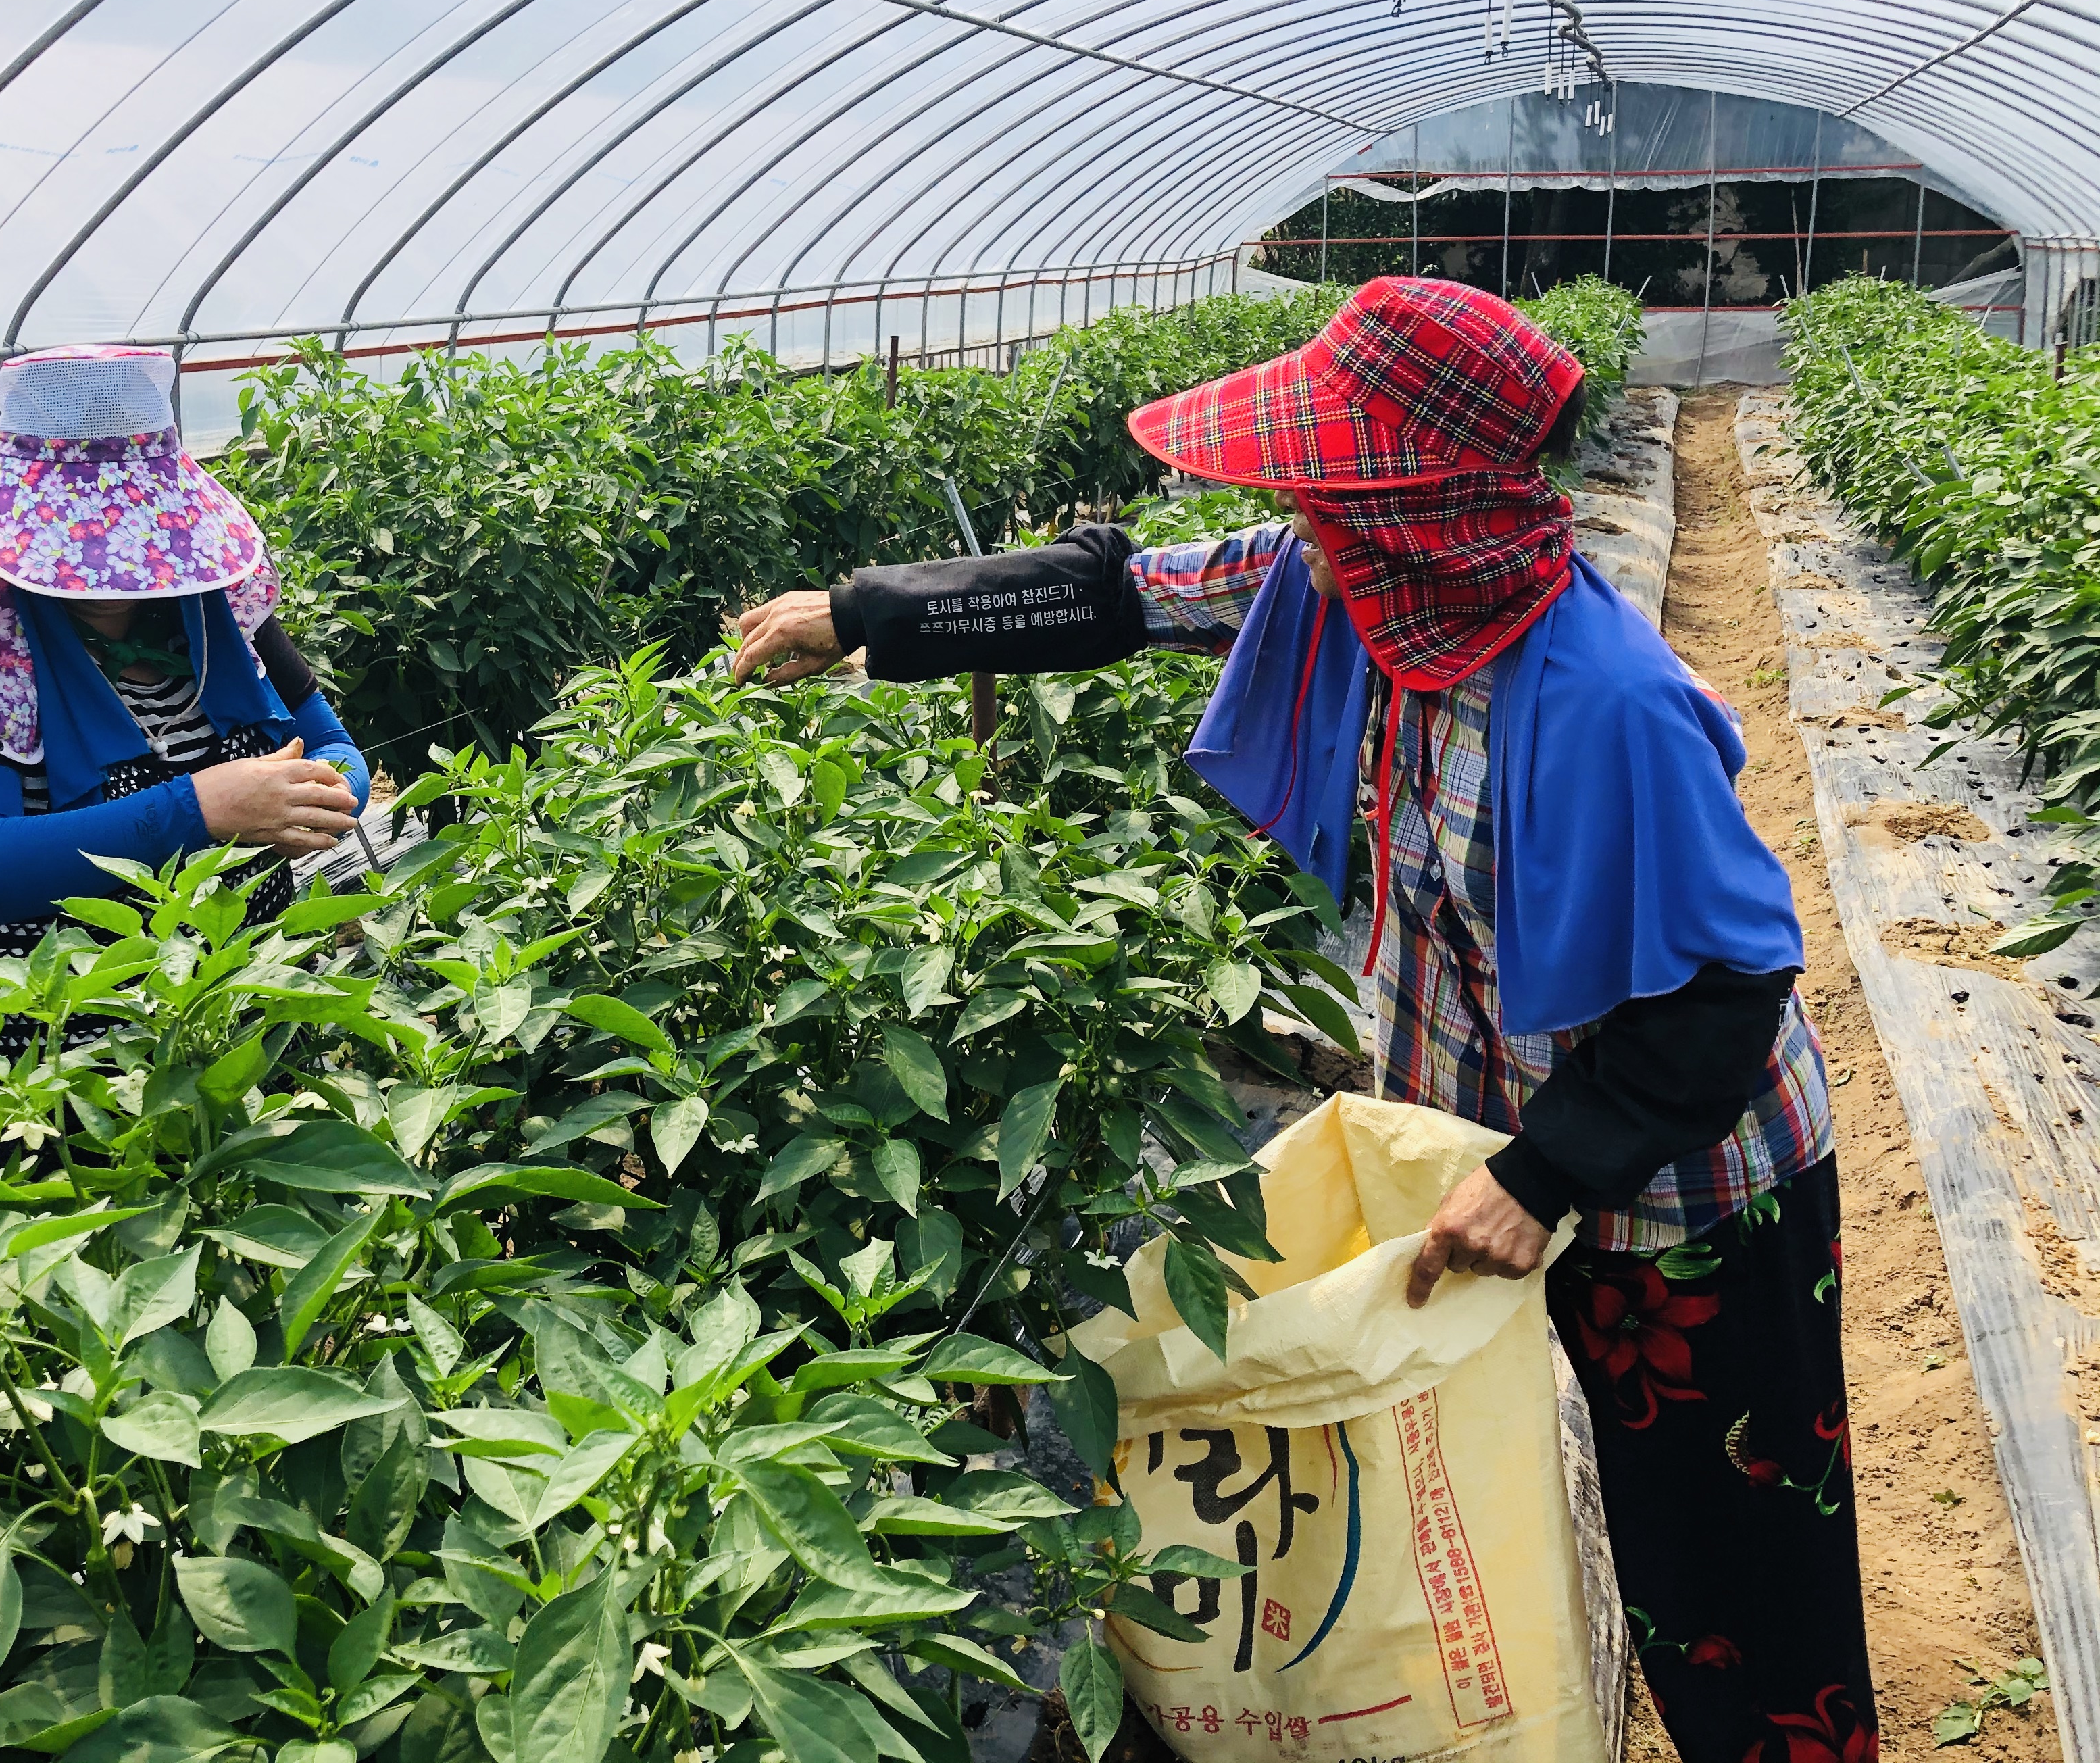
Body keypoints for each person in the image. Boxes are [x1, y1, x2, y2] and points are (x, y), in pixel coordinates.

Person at [731, 278, 1874, 1763]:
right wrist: (869, 612)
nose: (1292, 515)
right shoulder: (1340, 583)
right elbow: (1124, 588)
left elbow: (1727, 982)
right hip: (1488, 1131)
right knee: (1514, 1485)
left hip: (1683, 1190)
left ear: (1419, 513)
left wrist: (1546, 1180)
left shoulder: (1604, 702)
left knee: (1725, 1558)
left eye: (1326, 491)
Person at [0, 344, 368, 1047]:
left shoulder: (217, 613)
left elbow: (334, 748)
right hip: (40, 1068)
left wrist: (311, 800)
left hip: (237, 1023)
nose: (110, 579)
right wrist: (203, 810)